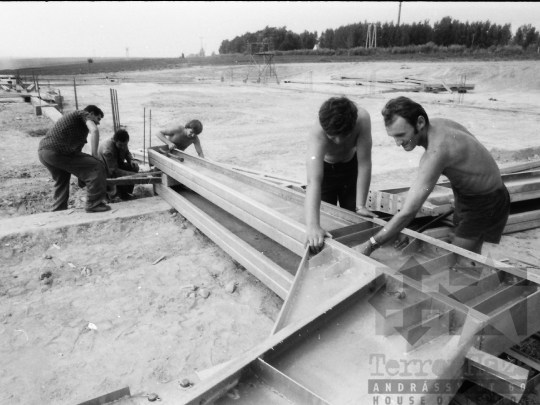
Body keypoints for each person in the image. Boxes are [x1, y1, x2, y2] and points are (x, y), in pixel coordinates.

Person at [357, 96, 510, 259]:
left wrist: (370, 244)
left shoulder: (437, 152)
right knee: (471, 254)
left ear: (420, 122)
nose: (398, 143)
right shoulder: (438, 125)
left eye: (401, 135)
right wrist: (397, 228)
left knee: (455, 259)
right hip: (471, 193)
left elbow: (409, 211)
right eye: (393, 136)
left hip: (485, 201)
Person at [304, 97, 376, 253]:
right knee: (327, 220)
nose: (338, 141)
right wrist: (313, 226)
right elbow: (313, 181)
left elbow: (364, 163)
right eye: (332, 137)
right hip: (326, 172)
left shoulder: (362, 119)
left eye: (345, 135)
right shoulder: (318, 132)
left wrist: (361, 205)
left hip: (350, 167)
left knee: (353, 219)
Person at [38, 105, 110, 213]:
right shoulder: (83, 114)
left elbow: (77, 157)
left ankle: (59, 210)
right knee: (97, 165)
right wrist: (95, 154)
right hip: (57, 152)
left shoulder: (77, 125)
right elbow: (94, 130)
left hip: (44, 153)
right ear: (91, 114)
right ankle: (93, 204)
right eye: (98, 118)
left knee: (62, 179)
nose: (98, 122)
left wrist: (81, 174)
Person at [98, 129, 140, 201]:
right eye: (120, 145)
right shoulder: (107, 150)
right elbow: (114, 171)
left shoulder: (122, 143)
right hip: (105, 170)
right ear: (114, 141)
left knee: (134, 167)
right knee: (130, 174)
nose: (123, 147)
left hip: (115, 165)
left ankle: (124, 192)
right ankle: (117, 193)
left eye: (125, 145)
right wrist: (133, 175)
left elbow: (127, 152)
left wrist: (131, 160)